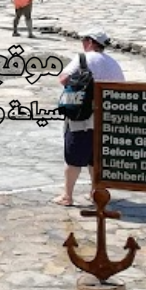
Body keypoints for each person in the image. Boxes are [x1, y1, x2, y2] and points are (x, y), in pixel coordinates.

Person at [55, 30, 125, 207]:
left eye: (84, 40)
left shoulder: (83, 59)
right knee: (95, 158)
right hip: (104, 119)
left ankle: (67, 196)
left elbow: (63, 79)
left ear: (90, 42)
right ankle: (95, 192)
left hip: (82, 116)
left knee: (73, 157)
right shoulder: (113, 63)